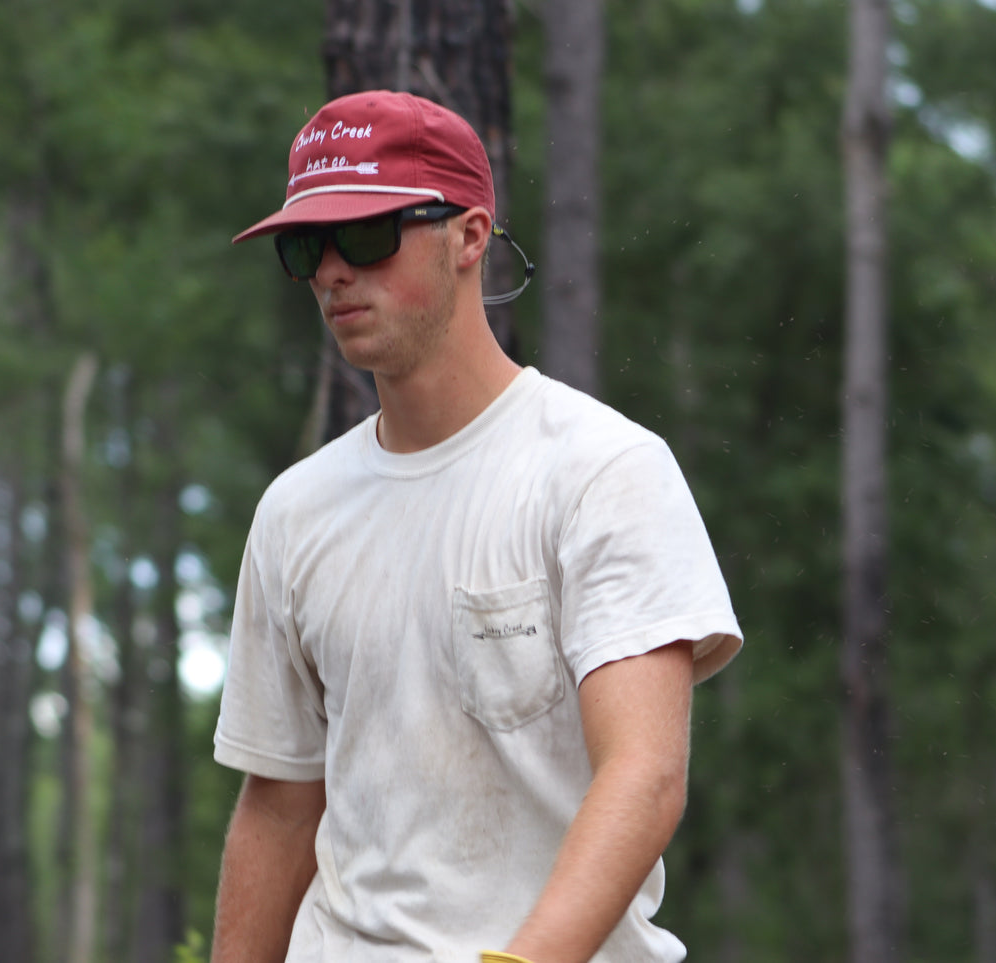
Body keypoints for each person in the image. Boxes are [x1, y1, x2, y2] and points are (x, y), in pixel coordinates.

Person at [210, 89, 743, 963]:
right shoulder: (294, 511)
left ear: (469, 235)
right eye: (307, 246)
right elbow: (278, 804)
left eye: (369, 236)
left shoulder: (602, 470)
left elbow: (643, 779)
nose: (334, 271)